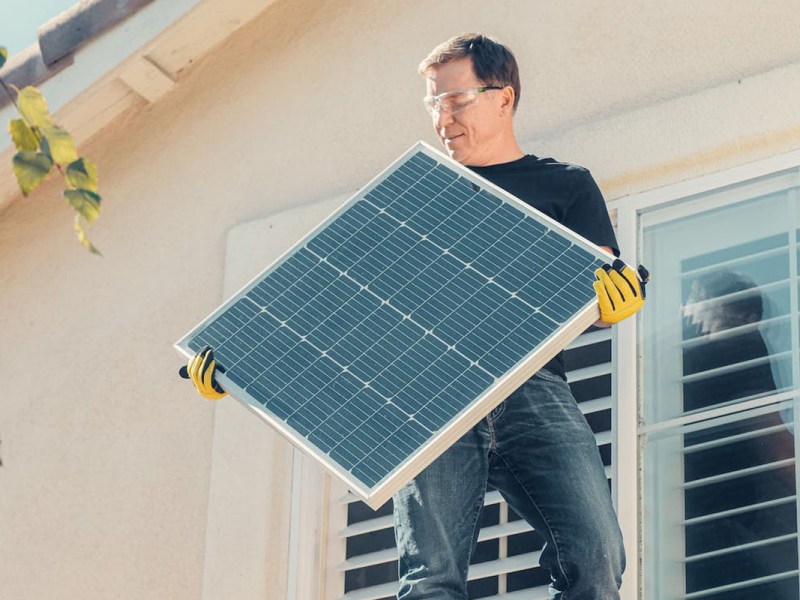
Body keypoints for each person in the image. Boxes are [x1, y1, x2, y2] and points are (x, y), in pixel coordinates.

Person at [182, 33, 648, 599]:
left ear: (503, 98)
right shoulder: (409, 201)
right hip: (430, 400)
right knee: (430, 580)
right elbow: (329, 313)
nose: (442, 119)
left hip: (533, 390)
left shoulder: (564, 187)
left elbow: (595, 289)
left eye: (455, 101)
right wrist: (239, 366)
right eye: (433, 104)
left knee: (597, 559)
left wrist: (611, 306)